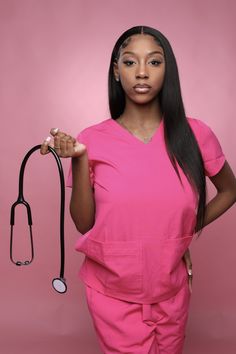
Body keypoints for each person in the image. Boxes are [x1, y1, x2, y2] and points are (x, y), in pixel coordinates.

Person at [40, 25, 236, 354]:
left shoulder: (196, 134)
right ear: (116, 71)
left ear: (167, 70)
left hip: (172, 291)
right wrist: (79, 158)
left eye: (154, 62)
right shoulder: (93, 138)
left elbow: (230, 191)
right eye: (130, 63)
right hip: (112, 292)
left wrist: (185, 232)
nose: (142, 72)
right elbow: (83, 223)